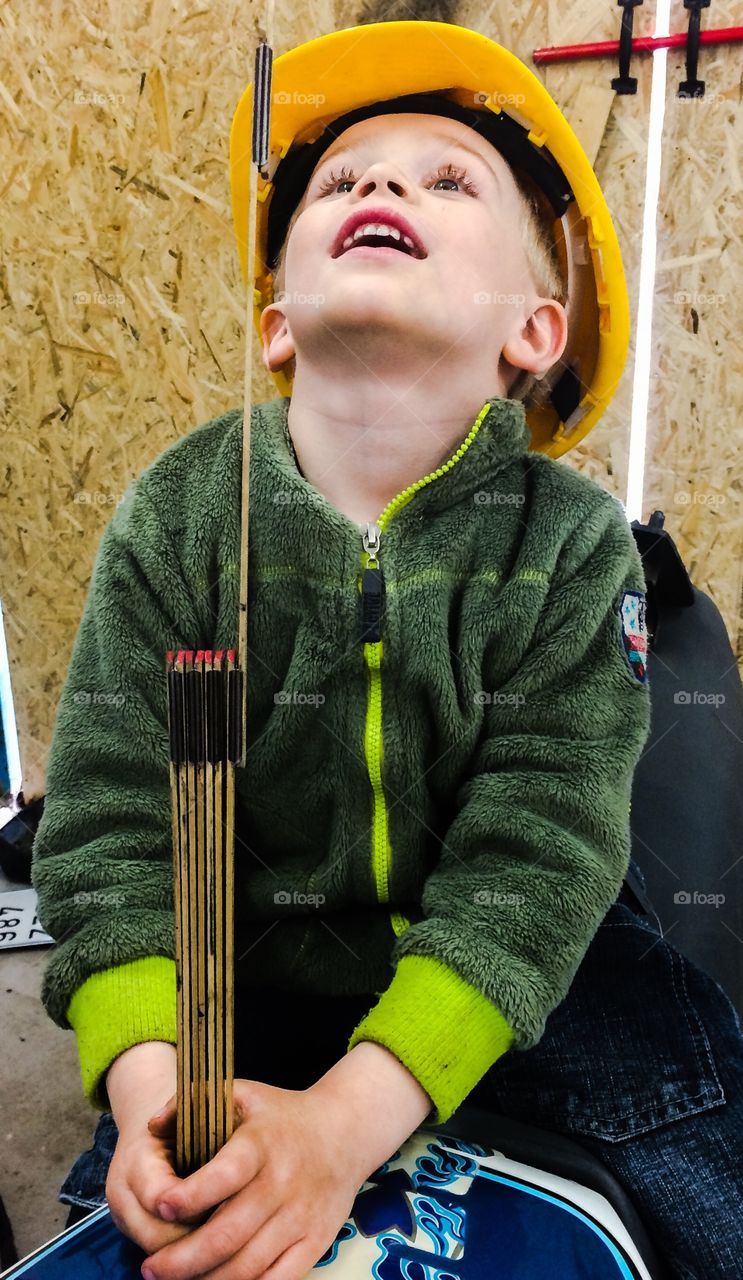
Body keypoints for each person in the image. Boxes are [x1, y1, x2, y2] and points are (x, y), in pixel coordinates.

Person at [31, 18, 743, 1280]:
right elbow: (113, 830)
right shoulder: (179, 514)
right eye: (339, 180)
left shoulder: (573, 546)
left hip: (533, 974)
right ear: (276, 326)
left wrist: (350, 1124)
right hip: (241, 968)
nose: (376, 186)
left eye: (444, 178)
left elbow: (539, 852)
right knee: (149, 1226)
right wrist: (148, 1081)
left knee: (703, 1172)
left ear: (534, 330)